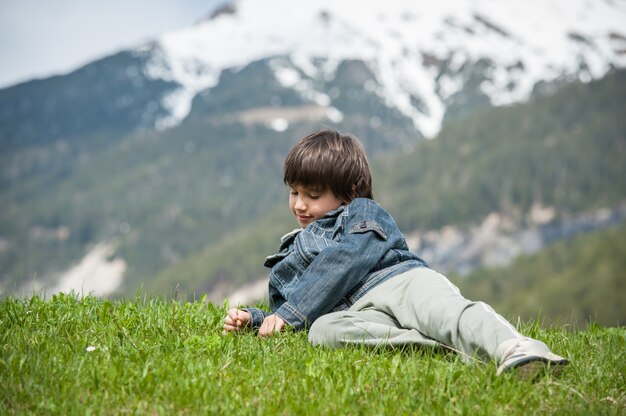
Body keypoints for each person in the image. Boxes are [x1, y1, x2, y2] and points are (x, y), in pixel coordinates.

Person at [223, 129, 568, 378]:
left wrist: (290, 312)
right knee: (321, 332)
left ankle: (517, 348)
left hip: (401, 282)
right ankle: (450, 352)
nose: (300, 204)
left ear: (350, 192)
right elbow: (289, 312)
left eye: (313, 195)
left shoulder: (361, 212)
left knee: (446, 314)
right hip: (357, 313)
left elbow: (347, 258)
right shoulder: (287, 258)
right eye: (294, 192)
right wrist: (257, 319)